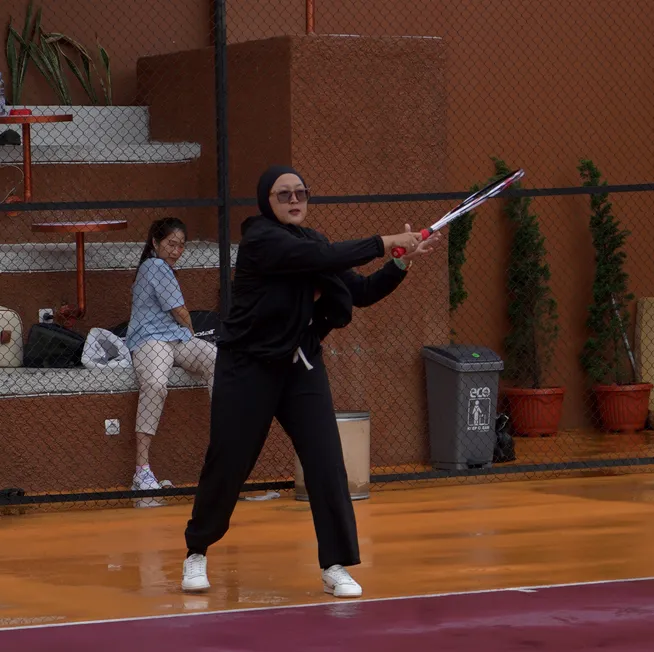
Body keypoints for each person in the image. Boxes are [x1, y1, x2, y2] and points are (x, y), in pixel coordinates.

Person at [181, 166, 441, 597]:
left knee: (325, 463)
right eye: (283, 194)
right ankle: (197, 550)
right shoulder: (261, 240)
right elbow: (322, 259)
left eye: (301, 193)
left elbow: (360, 292)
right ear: (266, 201)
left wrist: (399, 263)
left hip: (299, 364)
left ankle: (335, 564)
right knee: (228, 462)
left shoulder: (314, 243)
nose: (294, 200)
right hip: (247, 367)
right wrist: (384, 241)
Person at [125, 217, 217, 494]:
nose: (176, 251)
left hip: (175, 338)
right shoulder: (154, 265)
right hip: (150, 339)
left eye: (181, 246)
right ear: (155, 243)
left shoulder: (160, 267)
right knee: (155, 384)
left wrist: (190, 337)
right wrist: (193, 332)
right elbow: (180, 311)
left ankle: (225, 445)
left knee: (219, 360)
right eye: (171, 244)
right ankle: (142, 470)